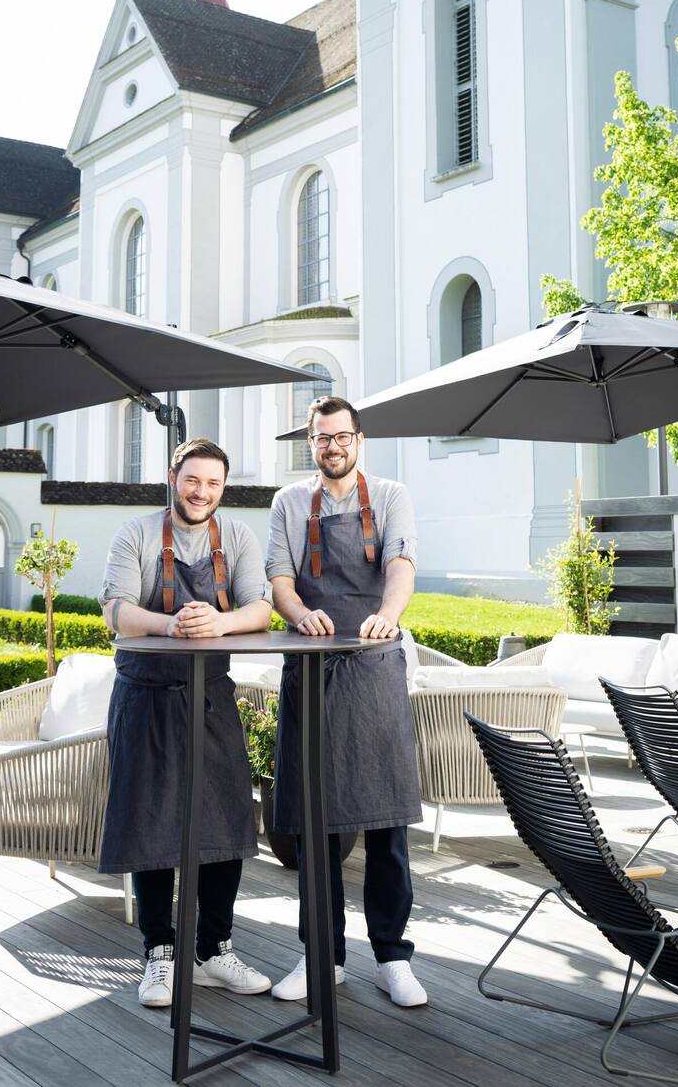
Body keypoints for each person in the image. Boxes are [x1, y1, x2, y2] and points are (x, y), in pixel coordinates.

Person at [99, 437, 273, 1008]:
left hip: (211, 697)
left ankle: (212, 950)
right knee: (152, 824)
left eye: (214, 483)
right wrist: (174, 625)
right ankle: (160, 953)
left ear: (224, 487)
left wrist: (218, 624)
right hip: (144, 694)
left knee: (226, 822)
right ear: (174, 478)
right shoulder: (138, 534)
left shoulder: (238, 537)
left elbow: (262, 608)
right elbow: (116, 610)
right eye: (193, 480)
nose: (202, 493)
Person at [266, 396, 427, 1008]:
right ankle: (321, 958)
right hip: (309, 672)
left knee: (386, 823)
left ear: (359, 438)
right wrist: (302, 614)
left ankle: (392, 956)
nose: (332, 446)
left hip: (375, 667)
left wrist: (387, 618)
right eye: (321, 438)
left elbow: (401, 565)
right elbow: (280, 579)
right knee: (315, 826)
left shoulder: (389, 495)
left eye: (341, 436)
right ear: (310, 443)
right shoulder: (287, 503)